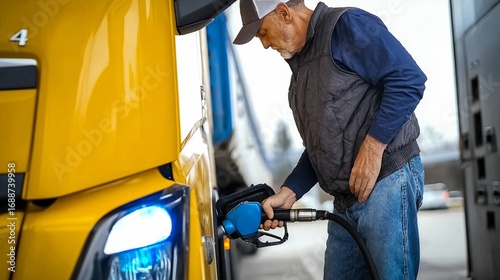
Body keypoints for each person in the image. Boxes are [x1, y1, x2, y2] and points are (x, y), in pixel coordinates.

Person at [233, 0, 427, 279]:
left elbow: (408, 80)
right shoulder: (298, 80)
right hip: (345, 202)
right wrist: (290, 191)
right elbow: (321, 147)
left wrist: (372, 149)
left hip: (386, 179)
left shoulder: (346, 26)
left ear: (284, 12)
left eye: (263, 32)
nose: (264, 45)